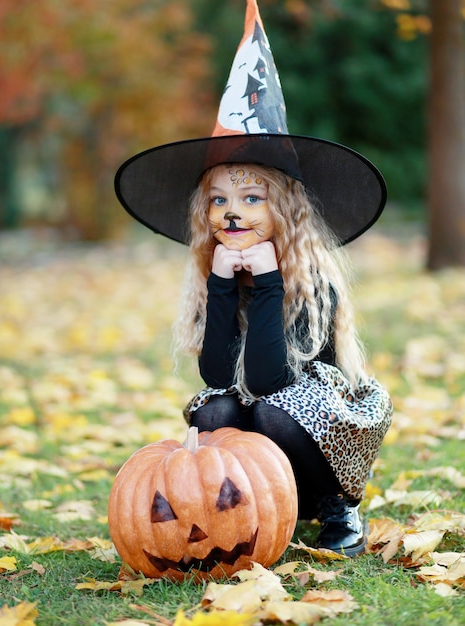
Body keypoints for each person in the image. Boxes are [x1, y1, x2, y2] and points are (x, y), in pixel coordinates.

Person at [114, 0, 393, 556]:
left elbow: (270, 381)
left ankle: (335, 506)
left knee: (269, 408)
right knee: (215, 411)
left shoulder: (313, 280)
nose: (231, 213)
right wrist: (222, 287)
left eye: (250, 197)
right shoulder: (215, 274)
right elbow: (218, 370)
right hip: (261, 423)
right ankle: (258, 511)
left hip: (321, 424)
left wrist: (267, 284)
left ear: (283, 209)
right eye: (218, 200)